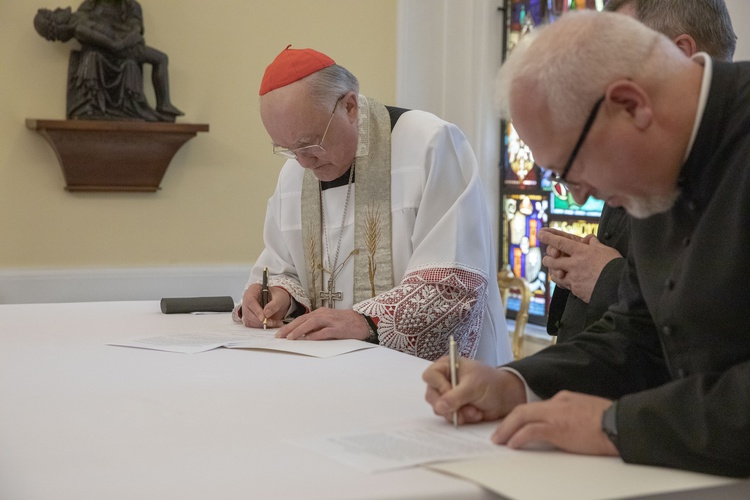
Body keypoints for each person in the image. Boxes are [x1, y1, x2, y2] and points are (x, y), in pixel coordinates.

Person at [424, 10, 750, 477]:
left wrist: (613, 425)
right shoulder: (658, 168)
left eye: (570, 171)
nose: (578, 195)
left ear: (631, 104)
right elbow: (638, 334)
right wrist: (514, 382)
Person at [234, 46, 512, 364]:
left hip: (432, 378)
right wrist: (278, 296)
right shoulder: (294, 174)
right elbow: (283, 266)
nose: (302, 161)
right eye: (286, 149)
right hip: (328, 369)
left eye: (310, 143)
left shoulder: (429, 144)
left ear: (350, 106)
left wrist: (365, 321)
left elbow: (453, 283)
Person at [541, 0, 737, 342]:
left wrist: (605, 277)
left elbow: (713, 329)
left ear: (678, 56)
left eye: (617, 63)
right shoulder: (646, 143)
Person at [33, 0, 183, 121]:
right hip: (119, 50)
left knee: (161, 58)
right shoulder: (84, 15)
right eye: (54, 14)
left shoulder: (131, 6)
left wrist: (132, 36)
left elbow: (135, 28)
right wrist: (126, 42)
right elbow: (109, 44)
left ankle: (164, 104)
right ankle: (163, 105)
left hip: (128, 45)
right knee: (160, 58)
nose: (59, 9)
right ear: (58, 24)